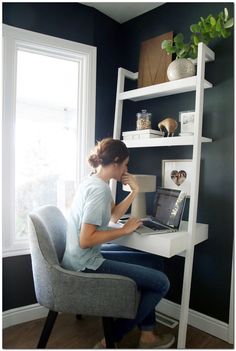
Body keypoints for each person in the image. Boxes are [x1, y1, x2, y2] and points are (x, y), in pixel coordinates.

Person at [62, 138, 175, 349]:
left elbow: (112, 216)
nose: (126, 169)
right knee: (162, 283)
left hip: (82, 257)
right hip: (85, 264)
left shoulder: (94, 181)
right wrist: (124, 230)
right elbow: (86, 240)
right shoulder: (99, 190)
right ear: (115, 161)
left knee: (153, 262)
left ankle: (147, 336)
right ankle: (110, 338)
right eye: (125, 164)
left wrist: (134, 192)